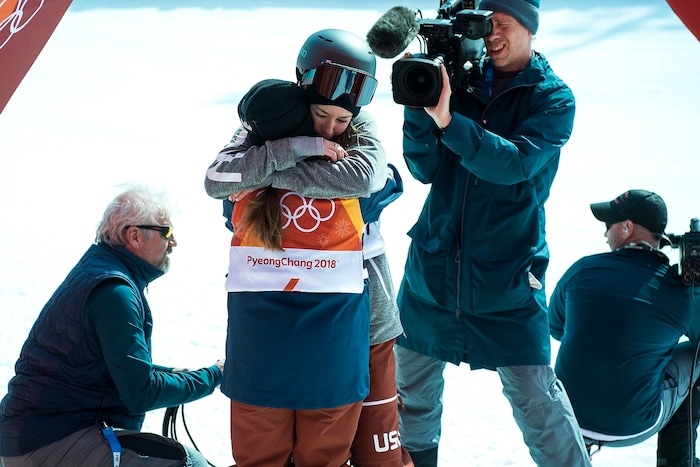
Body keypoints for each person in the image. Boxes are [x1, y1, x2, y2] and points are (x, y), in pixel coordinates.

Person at [393, 0, 592, 465]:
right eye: (487, 25)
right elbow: (425, 169)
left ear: (529, 27)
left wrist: (448, 120)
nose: (492, 35)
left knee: (537, 401)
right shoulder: (458, 80)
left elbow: (514, 164)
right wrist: (420, 109)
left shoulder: (553, 98)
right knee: (412, 396)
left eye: (502, 24)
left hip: (509, 276)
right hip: (433, 270)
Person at [204, 29, 401, 467]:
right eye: (321, 115)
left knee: (373, 454)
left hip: (359, 321)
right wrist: (297, 148)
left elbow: (365, 178)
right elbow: (218, 181)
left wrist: (271, 174)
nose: (332, 128)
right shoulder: (266, 120)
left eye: (341, 121)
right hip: (277, 322)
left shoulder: (362, 127)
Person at [0, 187, 223, 467]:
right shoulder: (115, 292)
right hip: (47, 441)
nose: (173, 241)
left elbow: (111, 371)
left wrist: (170, 374)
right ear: (134, 236)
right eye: (165, 231)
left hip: (33, 435)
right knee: (190, 464)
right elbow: (140, 392)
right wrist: (213, 376)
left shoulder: (99, 271)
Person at [549, 189, 700, 467]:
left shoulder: (582, 269)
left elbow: (557, 327)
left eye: (609, 225)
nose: (605, 234)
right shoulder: (678, 290)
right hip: (634, 426)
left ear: (628, 228)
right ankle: (678, 461)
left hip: (565, 417)